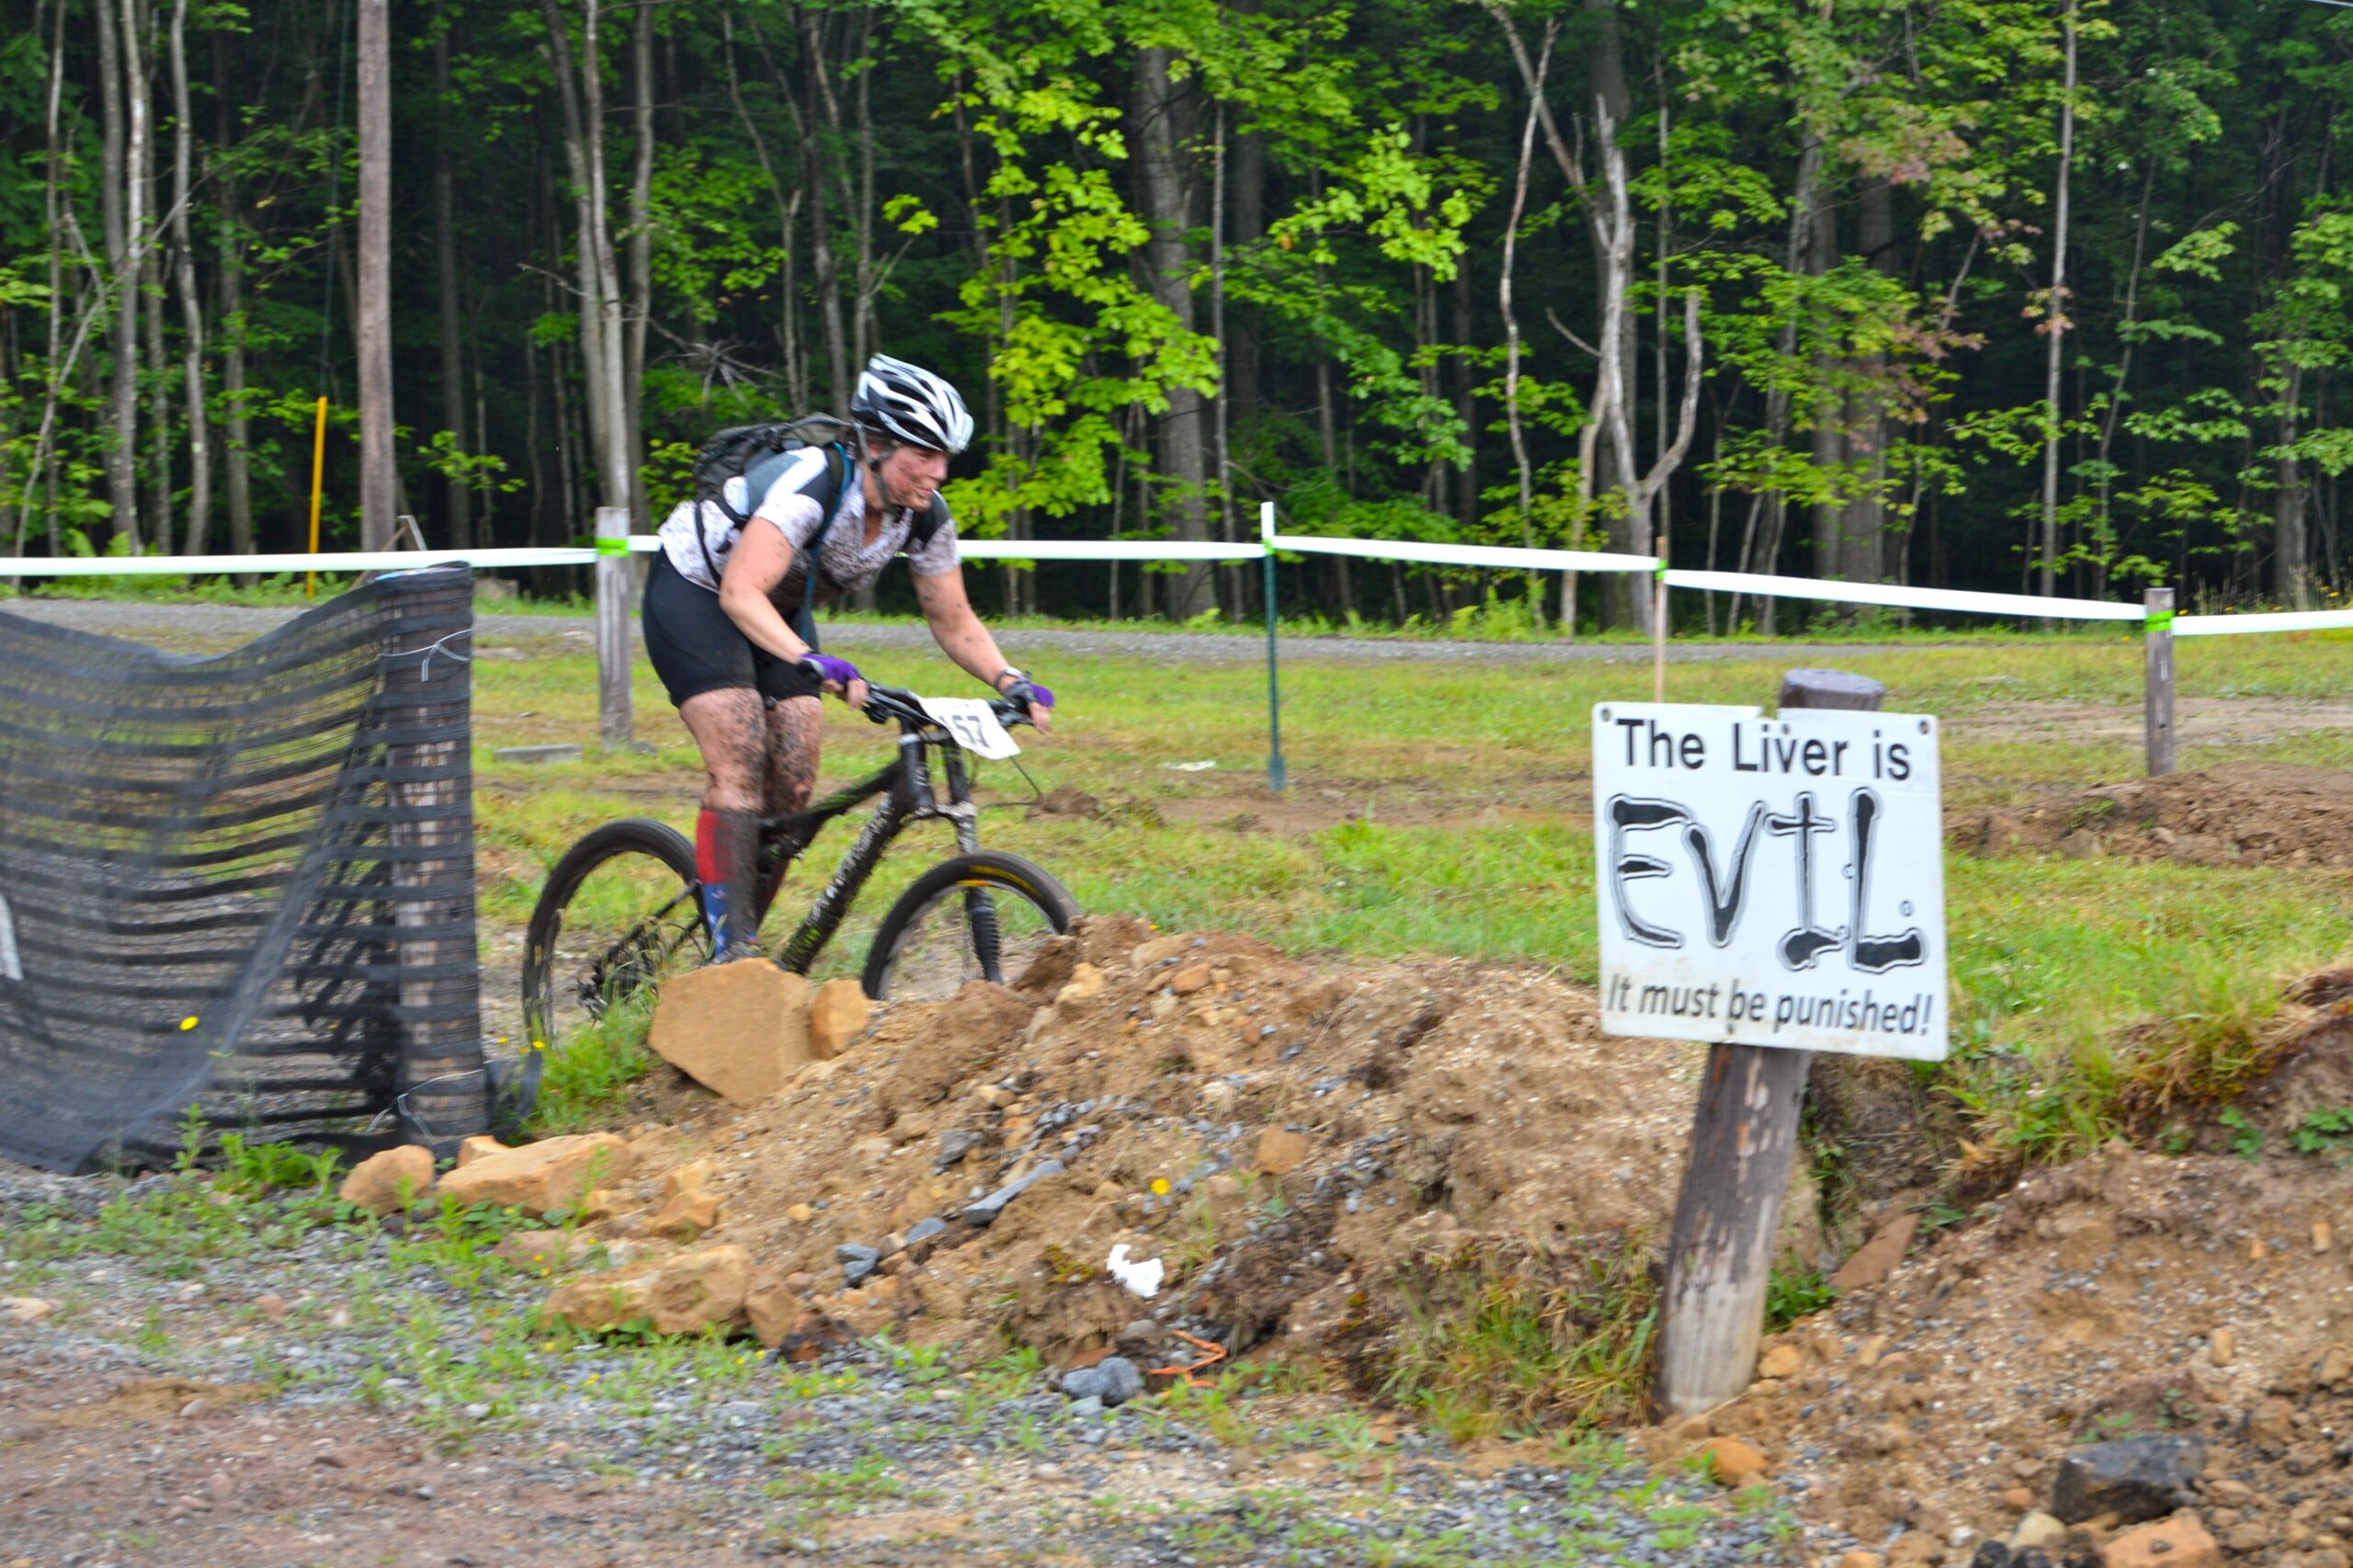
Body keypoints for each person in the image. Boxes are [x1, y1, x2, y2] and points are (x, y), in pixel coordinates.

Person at [643, 354, 1055, 960]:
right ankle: (734, 948)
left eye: (945, 458)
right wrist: (813, 659)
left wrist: (1011, 679)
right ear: (878, 445)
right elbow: (739, 591)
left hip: (779, 607)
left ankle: (741, 924)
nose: (939, 473)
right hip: (702, 592)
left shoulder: (923, 516)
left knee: (797, 777)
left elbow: (955, 620)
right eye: (925, 454)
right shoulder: (811, 484)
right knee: (740, 758)